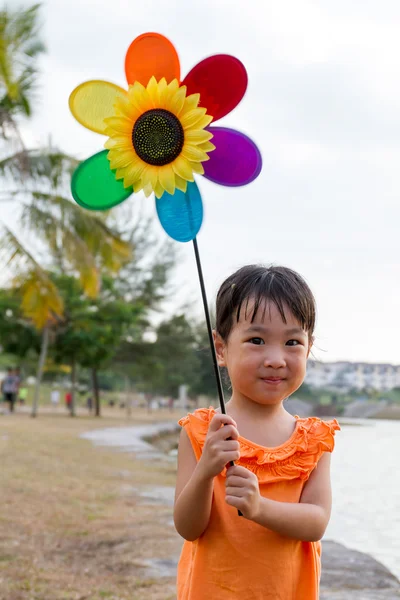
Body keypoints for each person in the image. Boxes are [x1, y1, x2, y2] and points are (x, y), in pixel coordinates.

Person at [174, 265, 340, 599]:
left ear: (308, 349)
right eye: (256, 340)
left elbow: (316, 522)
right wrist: (206, 471)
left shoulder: (313, 440)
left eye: (292, 341)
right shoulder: (202, 432)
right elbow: (188, 528)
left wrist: (258, 507)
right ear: (221, 349)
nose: (276, 358)